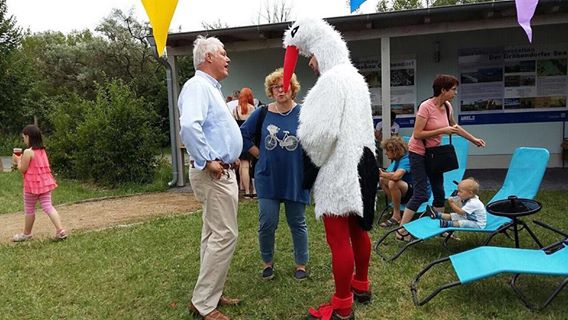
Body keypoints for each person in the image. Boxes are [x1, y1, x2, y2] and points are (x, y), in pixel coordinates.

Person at [283, 18, 378, 320]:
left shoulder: (331, 81)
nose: (310, 63)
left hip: (338, 169)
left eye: (310, 56)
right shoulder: (356, 79)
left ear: (323, 50)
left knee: (338, 239)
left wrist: (312, 161)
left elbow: (318, 134)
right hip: (364, 163)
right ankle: (361, 285)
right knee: (359, 229)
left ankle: (342, 305)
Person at [178, 35, 242, 320]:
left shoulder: (210, 88)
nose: (227, 59)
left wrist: (229, 153)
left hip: (221, 169)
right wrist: (209, 161)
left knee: (213, 234)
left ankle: (209, 294)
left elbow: (212, 128)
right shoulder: (197, 87)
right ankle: (204, 303)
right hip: (214, 174)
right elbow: (190, 127)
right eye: (223, 53)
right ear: (208, 58)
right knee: (225, 235)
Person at [396, 74, 486, 242]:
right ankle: (401, 230)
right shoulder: (426, 107)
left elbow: (455, 127)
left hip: (434, 155)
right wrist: (441, 131)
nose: (455, 93)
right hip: (418, 153)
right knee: (421, 193)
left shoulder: (448, 106)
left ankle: (439, 228)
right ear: (443, 90)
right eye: (453, 89)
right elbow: (417, 133)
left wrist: (473, 139)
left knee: (439, 192)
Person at [240, 68, 310, 281]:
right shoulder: (262, 113)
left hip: (295, 177)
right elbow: (243, 135)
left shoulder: (304, 113)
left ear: (293, 88)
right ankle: (267, 262)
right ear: (271, 91)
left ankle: (301, 264)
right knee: (267, 222)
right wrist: (258, 154)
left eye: (285, 85)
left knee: (297, 222)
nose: (281, 90)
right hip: (268, 176)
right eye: (276, 87)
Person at [11, 124, 67, 242]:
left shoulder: (28, 152)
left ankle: (27, 234)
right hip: (45, 184)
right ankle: (60, 230)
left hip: (31, 186)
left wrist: (17, 160)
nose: (24, 140)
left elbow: (23, 169)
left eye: (24, 137)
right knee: (48, 206)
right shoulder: (42, 150)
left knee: (29, 209)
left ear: (28, 137)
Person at [378, 136, 413, 228]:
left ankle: (396, 215)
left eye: (387, 150)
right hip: (407, 188)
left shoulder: (406, 159)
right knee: (383, 180)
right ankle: (396, 208)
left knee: (393, 182)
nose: (385, 153)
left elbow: (397, 176)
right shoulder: (399, 159)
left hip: (415, 192)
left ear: (395, 151)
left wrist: (381, 173)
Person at [233, 87, 257, 198]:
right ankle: (254, 190)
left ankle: (246, 191)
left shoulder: (235, 110)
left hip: (239, 139)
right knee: (253, 166)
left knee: (243, 166)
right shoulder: (253, 109)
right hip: (250, 140)